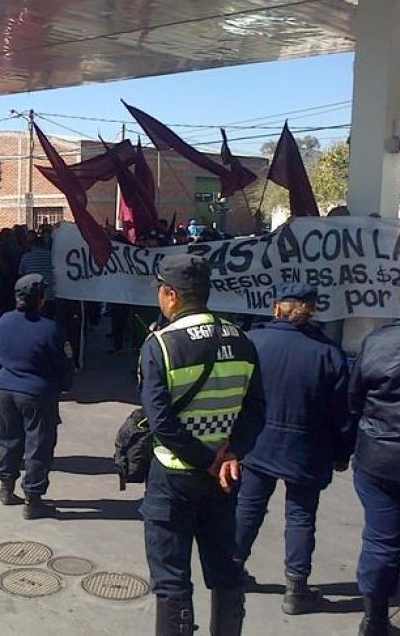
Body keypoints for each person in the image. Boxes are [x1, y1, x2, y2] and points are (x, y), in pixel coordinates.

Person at [138, 254, 264, 636]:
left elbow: (161, 422)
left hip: (174, 477)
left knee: (172, 578)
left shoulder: (160, 345)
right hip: (224, 478)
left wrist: (205, 459)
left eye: (161, 290)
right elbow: (256, 410)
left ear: (171, 295)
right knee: (225, 571)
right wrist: (232, 453)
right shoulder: (242, 339)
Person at [234, 283, 352, 615]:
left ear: (276, 308)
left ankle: (231, 568)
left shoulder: (255, 341)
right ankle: (295, 588)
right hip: (307, 448)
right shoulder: (328, 352)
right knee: (300, 516)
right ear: (311, 310)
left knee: (249, 507)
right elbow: (342, 412)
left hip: (259, 442)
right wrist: (343, 453)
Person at [349, 262, 400, 636]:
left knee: (381, 539)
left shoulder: (378, 342)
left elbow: (354, 399)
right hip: (382, 457)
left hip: (380, 459)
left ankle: (374, 620)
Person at [0, 274, 73, 519]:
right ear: (40, 299)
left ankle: (6, 487)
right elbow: (63, 363)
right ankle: (33, 498)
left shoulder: (4, 321)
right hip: (37, 392)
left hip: (6, 388)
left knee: (8, 439)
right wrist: (64, 385)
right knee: (38, 445)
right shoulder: (50, 328)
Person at [18, 233, 56, 319]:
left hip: (33, 294)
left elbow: (21, 273)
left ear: (32, 245)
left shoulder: (26, 256)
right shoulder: (51, 256)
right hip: (50, 293)